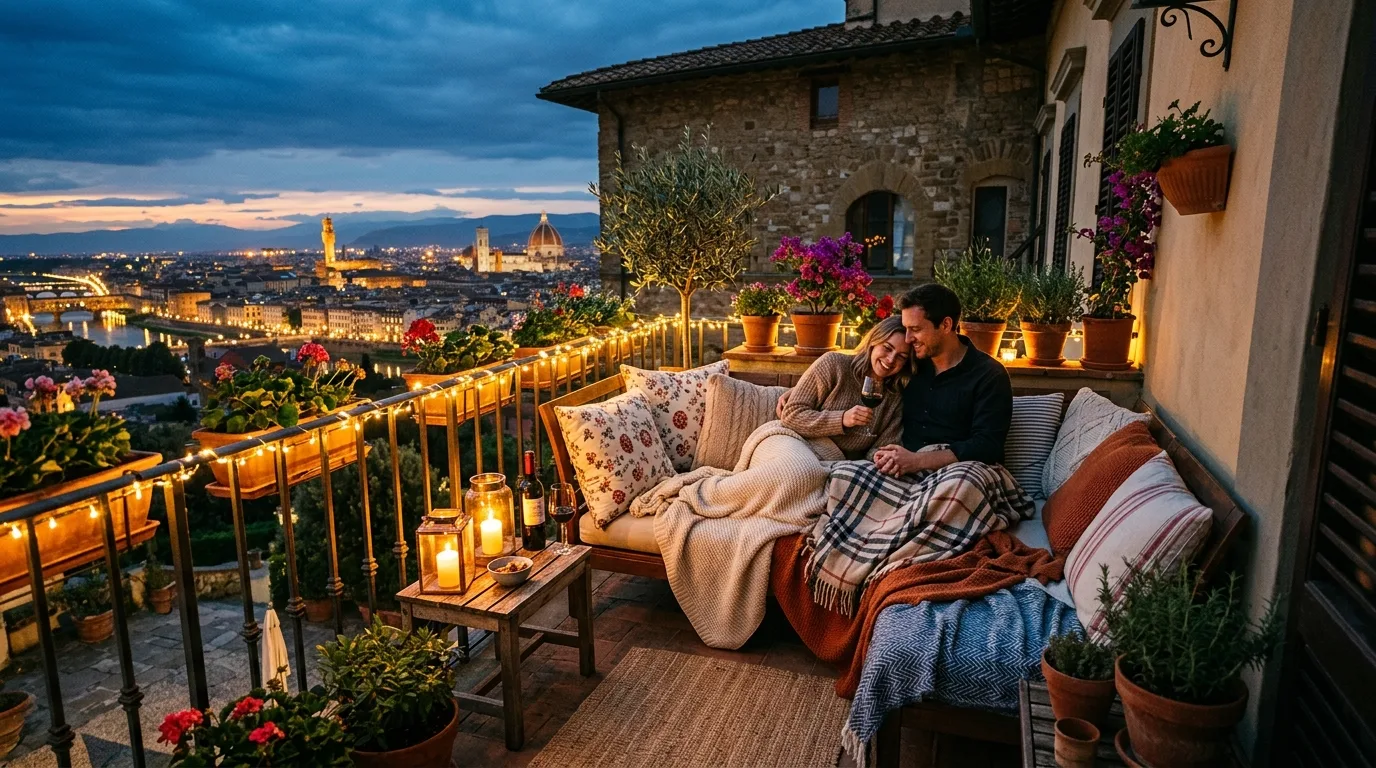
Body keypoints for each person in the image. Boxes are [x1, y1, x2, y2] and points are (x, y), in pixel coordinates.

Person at [777, 282, 1012, 475]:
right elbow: (867, 365)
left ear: (946, 324)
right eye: (906, 329)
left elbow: (988, 446)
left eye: (916, 329)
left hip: (958, 469)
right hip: (902, 467)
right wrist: (798, 391)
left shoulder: (989, 375)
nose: (908, 339)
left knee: (962, 486)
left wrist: (917, 461)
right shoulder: (912, 364)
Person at [779, 315, 913, 460]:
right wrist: (842, 419)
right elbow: (791, 415)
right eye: (887, 348)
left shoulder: (895, 396)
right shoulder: (834, 364)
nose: (891, 359)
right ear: (874, 342)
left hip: (842, 465)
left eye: (901, 356)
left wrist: (879, 457)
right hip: (802, 446)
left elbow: (883, 447)